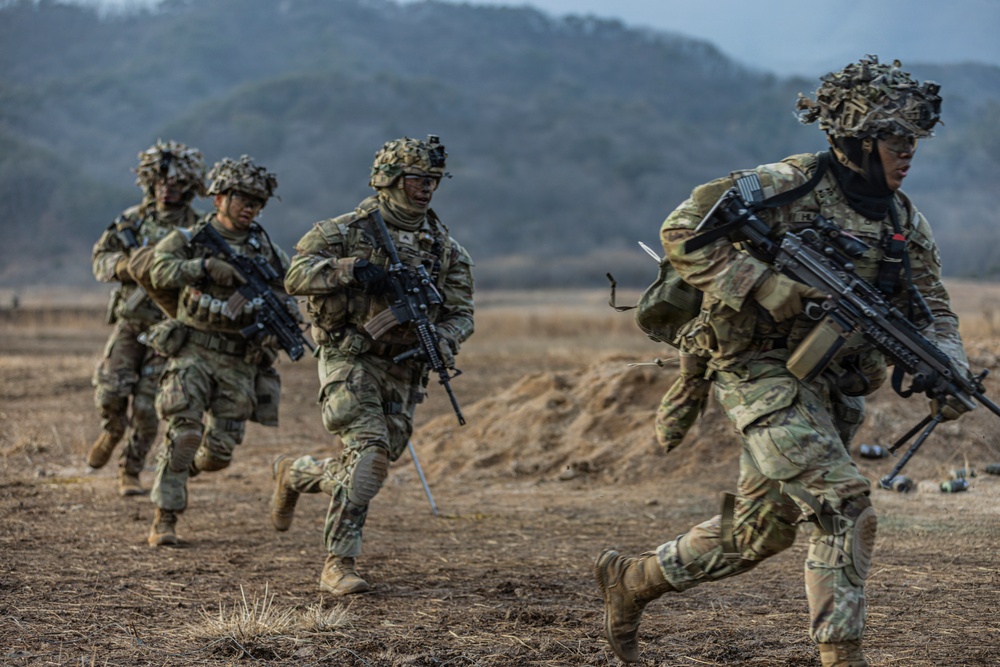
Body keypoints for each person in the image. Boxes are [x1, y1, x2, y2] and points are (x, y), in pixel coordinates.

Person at [594, 57, 969, 667]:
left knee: (757, 533)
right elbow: (683, 228)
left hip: (829, 386)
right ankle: (842, 657)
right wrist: (766, 285)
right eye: (897, 141)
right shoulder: (782, 184)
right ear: (857, 139)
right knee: (844, 506)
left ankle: (631, 580)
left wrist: (947, 368)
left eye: (913, 143)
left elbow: (935, 313)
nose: (909, 154)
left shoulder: (904, 223)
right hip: (757, 369)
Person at [271, 135, 474, 596]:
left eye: (434, 181)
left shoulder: (446, 250)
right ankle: (338, 563)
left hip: (405, 368)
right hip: (350, 355)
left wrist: (443, 339)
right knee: (367, 456)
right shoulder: (342, 231)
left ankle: (297, 473)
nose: (427, 189)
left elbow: (463, 313)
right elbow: (295, 275)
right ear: (391, 180)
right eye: (419, 179)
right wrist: (350, 270)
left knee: (374, 464)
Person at [143, 155, 294, 546]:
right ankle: (166, 518)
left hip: (239, 360)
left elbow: (287, 293)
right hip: (192, 348)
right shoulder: (189, 239)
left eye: (257, 203)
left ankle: (177, 469)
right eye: (243, 199)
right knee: (184, 431)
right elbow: (157, 271)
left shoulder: (267, 250)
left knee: (219, 454)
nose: (250, 208)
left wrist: (276, 326)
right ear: (219, 198)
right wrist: (204, 267)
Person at [88, 140, 206, 496]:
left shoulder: (199, 228)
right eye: (159, 182)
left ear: (189, 187)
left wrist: (176, 272)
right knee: (110, 390)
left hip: (168, 329)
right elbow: (100, 259)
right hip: (130, 322)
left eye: (174, 183)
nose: (166, 188)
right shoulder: (132, 221)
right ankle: (111, 430)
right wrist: (125, 266)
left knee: (146, 407)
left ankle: (130, 469)